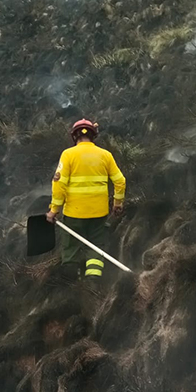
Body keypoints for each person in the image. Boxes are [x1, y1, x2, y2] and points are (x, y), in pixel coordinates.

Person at [46, 119, 126, 281]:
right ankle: (93, 282)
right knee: (96, 247)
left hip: (73, 215)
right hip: (99, 213)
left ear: (74, 136)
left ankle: (71, 285)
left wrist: (54, 210)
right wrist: (117, 204)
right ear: (93, 136)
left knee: (71, 248)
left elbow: (59, 184)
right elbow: (120, 181)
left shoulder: (68, 155)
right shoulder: (105, 155)